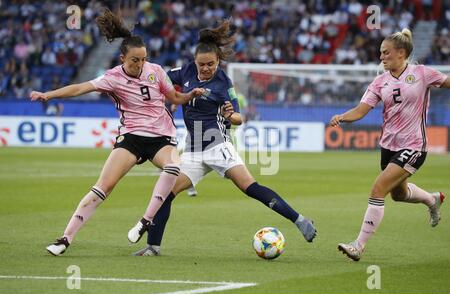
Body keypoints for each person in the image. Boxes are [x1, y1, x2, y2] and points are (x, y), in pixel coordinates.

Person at [127, 20, 317, 256]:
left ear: (218, 62)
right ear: (195, 61)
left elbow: (238, 117)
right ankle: (152, 247)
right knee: (165, 194)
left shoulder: (224, 83)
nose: (206, 68)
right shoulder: (185, 71)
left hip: (218, 146)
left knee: (250, 187)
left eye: (211, 64)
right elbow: (161, 79)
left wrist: (230, 115)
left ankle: (299, 220)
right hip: (194, 151)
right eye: (202, 64)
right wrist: (167, 95)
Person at [30, 9, 204, 256]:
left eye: (143, 59)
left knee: (174, 166)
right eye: (135, 60)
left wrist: (189, 95)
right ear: (123, 58)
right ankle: (65, 239)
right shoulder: (112, 78)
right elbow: (81, 87)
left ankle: (145, 221)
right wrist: (48, 94)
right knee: (104, 187)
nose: (140, 64)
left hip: (161, 138)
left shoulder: (156, 71)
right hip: (131, 137)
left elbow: (174, 97)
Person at [330, 28, 448, 262]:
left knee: (378, 190)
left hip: (414, 146)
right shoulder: (379, 82)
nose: (381, 57)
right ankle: (431, 199)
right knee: (399, 194)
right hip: (389, 146)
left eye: (386, 53)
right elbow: (361, 110)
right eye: (381, 53)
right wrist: (342, 116)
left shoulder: (422, 73)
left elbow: (447, 82)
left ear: (401, 53)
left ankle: (358, 246)